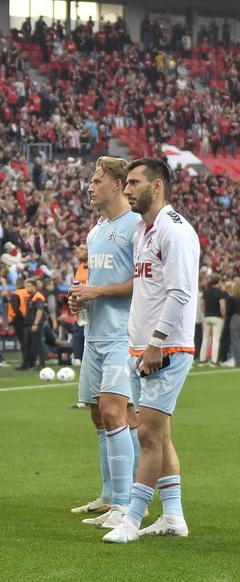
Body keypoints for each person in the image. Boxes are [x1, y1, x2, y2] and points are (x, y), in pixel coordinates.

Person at [104, 158, 200, 543]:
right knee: (161, 436)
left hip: (167, 347)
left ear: (156, 186)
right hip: (143, 348)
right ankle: (173, 517)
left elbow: (180, 292)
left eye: (133, 183)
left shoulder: (174, 231)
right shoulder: (145, 231)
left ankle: (132, 519)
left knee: (147, 436)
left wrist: (157, 342)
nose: (127, 189)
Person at [67, 157, 140, 529]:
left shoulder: (135, 226)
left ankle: (128, 503)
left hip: (122, 333)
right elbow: (95, 278)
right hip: (93, 333)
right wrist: (81, 295)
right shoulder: (97, 229)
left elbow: (141, 283)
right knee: (99, 415)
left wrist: (98, 290)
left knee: (114, 412)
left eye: (97, 181)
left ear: (117, 184)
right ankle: (111, 495)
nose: (90, 187)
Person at [199, 274, 227, 365]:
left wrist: (205, 313)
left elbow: (201, 304)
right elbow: (222, 306)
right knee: (216, 338)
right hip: (217, 317)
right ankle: (214, 361)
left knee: (205, 338)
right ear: (218, 282)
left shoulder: (206, 291)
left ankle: (202, 359)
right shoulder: (220, 292)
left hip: (207, 316)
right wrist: (223, 316)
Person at [18, 278, 46, 370]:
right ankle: (29, 363)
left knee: (37, 344)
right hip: (29, 324)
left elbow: (40, 310)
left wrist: (36, 323)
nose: (27, 288)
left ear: (34, 286)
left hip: (35, 324)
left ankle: (41, 364)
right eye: (26, 286)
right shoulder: (31, 296)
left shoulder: (38, 297)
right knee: (28, 344)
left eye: (29, 286)